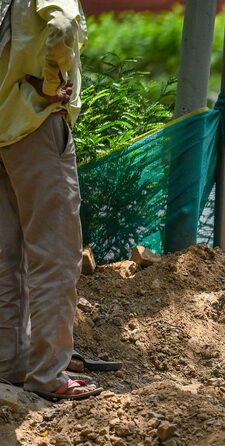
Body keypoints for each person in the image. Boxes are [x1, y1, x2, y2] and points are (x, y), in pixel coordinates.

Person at [0, 0, 101, 400]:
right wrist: (49, 80)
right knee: (55, 254)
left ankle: (9, 364)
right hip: (35, 124)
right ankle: (47, 374)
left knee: (6, 258)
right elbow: (61, 26)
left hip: (4, 124)